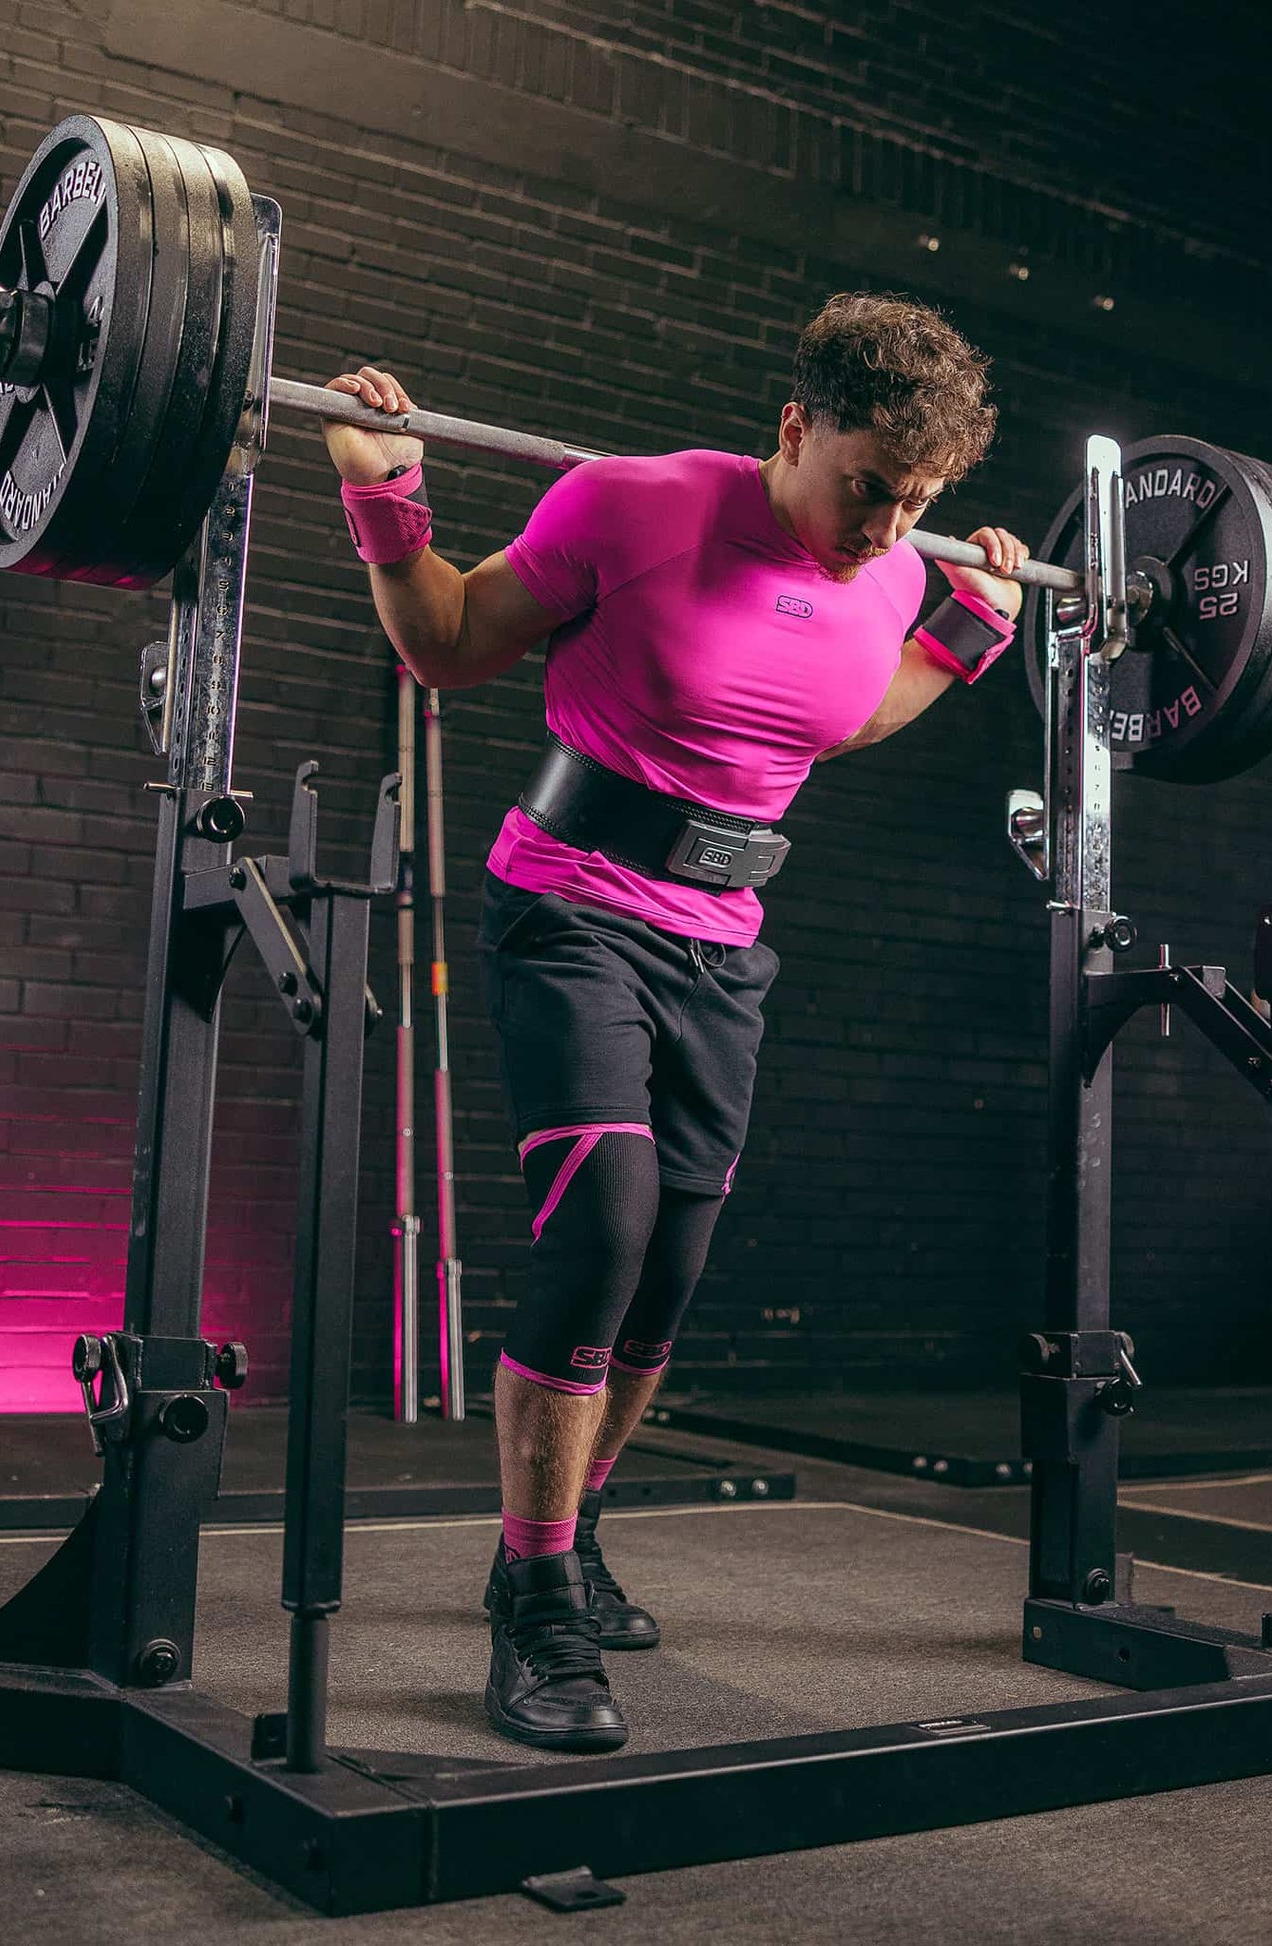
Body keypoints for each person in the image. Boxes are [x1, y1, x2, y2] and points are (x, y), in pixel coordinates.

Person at [324, 292, 1027, 1754]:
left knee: (668, 1272)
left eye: (918, 503)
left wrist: (967, 633)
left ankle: (562, 1528)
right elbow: (447, 642)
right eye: (867, 488)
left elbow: (845, 713)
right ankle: (532, 1601)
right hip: (569, 906)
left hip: (720, 950)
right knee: (602, 1226)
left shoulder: (898, 573)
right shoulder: (632, 506)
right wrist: (384, 493)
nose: (888, 526)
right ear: (794, 428)